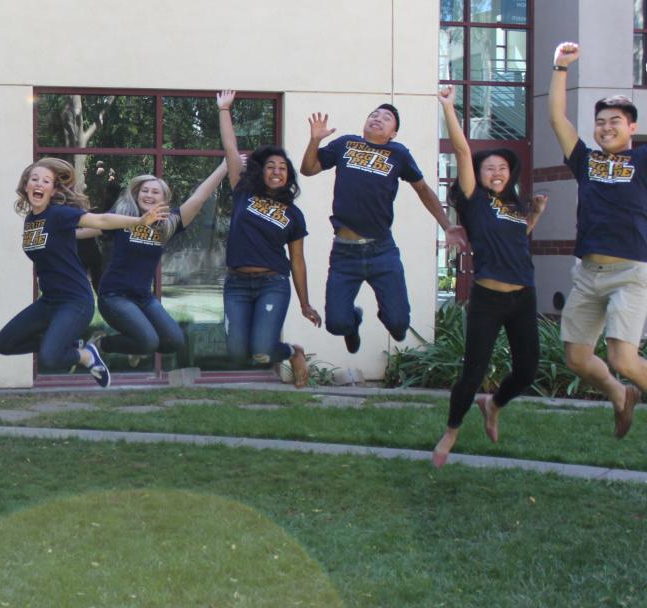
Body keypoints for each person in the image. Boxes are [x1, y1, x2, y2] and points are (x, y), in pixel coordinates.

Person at [433, 86, 546, 467]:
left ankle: (493, 404)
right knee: (473, 371)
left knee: (528, 370)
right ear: (478, 176)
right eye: (489, 168)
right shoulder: (475, 200)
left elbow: (517, 239)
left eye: (502, 168)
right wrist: (449, 107)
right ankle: (452, 429)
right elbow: (463, 150)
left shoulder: (513, 204)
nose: (496, 172)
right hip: (489, 297)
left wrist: (535, 216)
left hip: (523, 295)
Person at [300, 103, 467, 354]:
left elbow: (423, 190)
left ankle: (393, 321)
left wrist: (447, 225)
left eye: (386, 118)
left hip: (382, 251)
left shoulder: (398, 154)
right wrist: (314, 141)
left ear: (393, 133)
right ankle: (353, 322)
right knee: (336, 324)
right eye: (373, 115)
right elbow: (308, 169)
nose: (377, 119)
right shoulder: (346, 144)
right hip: (344, 253)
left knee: (399, 325)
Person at [0, 157, 168, 387]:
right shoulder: (31, 219)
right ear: (25, 185)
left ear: (53, 189)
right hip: (49, 301)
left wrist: (139, 221)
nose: (39, 184)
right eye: (34, 179)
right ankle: (70, 345)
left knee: (50, 357)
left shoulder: (60, 214)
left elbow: (101, 220)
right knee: (4, 344)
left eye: (46, 181)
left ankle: (86, 355)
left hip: (75, 301)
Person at [548, 41, 647, 439]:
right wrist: (560, 68)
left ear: (632, 128)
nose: (607, 127)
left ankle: (625, 383)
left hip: (629, 271)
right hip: (588, 273)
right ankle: (619, 396)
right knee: (576, 357)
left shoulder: (641, 160)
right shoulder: (585, 160)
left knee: (623, 357)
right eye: (601, 121)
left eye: (616, 121)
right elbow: (557, 119)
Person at [82, 131, 229, 372]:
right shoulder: (123, 220)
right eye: (145, 191)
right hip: (114, 296)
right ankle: (100, 343)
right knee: (148, 341)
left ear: (164, 198)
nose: (149, 195)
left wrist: (224, 166)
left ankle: (136, 346)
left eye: (155, 192)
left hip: (143, 297)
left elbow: (200, 197)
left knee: (173, 341)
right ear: (137, 194)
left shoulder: (167, 225)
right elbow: (87, 227)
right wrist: (57, 231)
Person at [217, 91, 321, 386]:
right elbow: (230, 147)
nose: (276, 171)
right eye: (271, 166)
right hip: (236, 282)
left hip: (272, 283)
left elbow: (297, 260)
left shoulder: (293, 214)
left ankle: (291, 352)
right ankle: (289, 350)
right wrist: (224, 109)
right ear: (262, 171)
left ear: (288, 176)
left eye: (283, 168)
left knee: (262, 351)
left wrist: (305, 303)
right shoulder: (243, 192)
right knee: (237, 353)